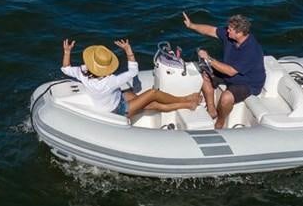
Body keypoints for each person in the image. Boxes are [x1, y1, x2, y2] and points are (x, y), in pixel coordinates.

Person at [61, 39, 200, 124]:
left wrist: (67, 52)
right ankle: (186, 101)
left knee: (152, 105)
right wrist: (128, 50)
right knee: (153, 95)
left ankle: (187, 103)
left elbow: (66, 69)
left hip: (115, 99)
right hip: (118, 110)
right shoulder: (111, 81)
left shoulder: (83, 73)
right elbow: (133, 71)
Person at [182, 11, 266, 129]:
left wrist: (209, 59)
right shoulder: (230, 36)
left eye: (230, 29)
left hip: (247, 82)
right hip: (229, 72)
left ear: (239, 33)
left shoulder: (251, 50)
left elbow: (231, 71)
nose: (227, 31)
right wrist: (192, 25)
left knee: (226, 97)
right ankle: (211, 109)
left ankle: (220, 122)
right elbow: (211, 30)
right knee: (205, 74)